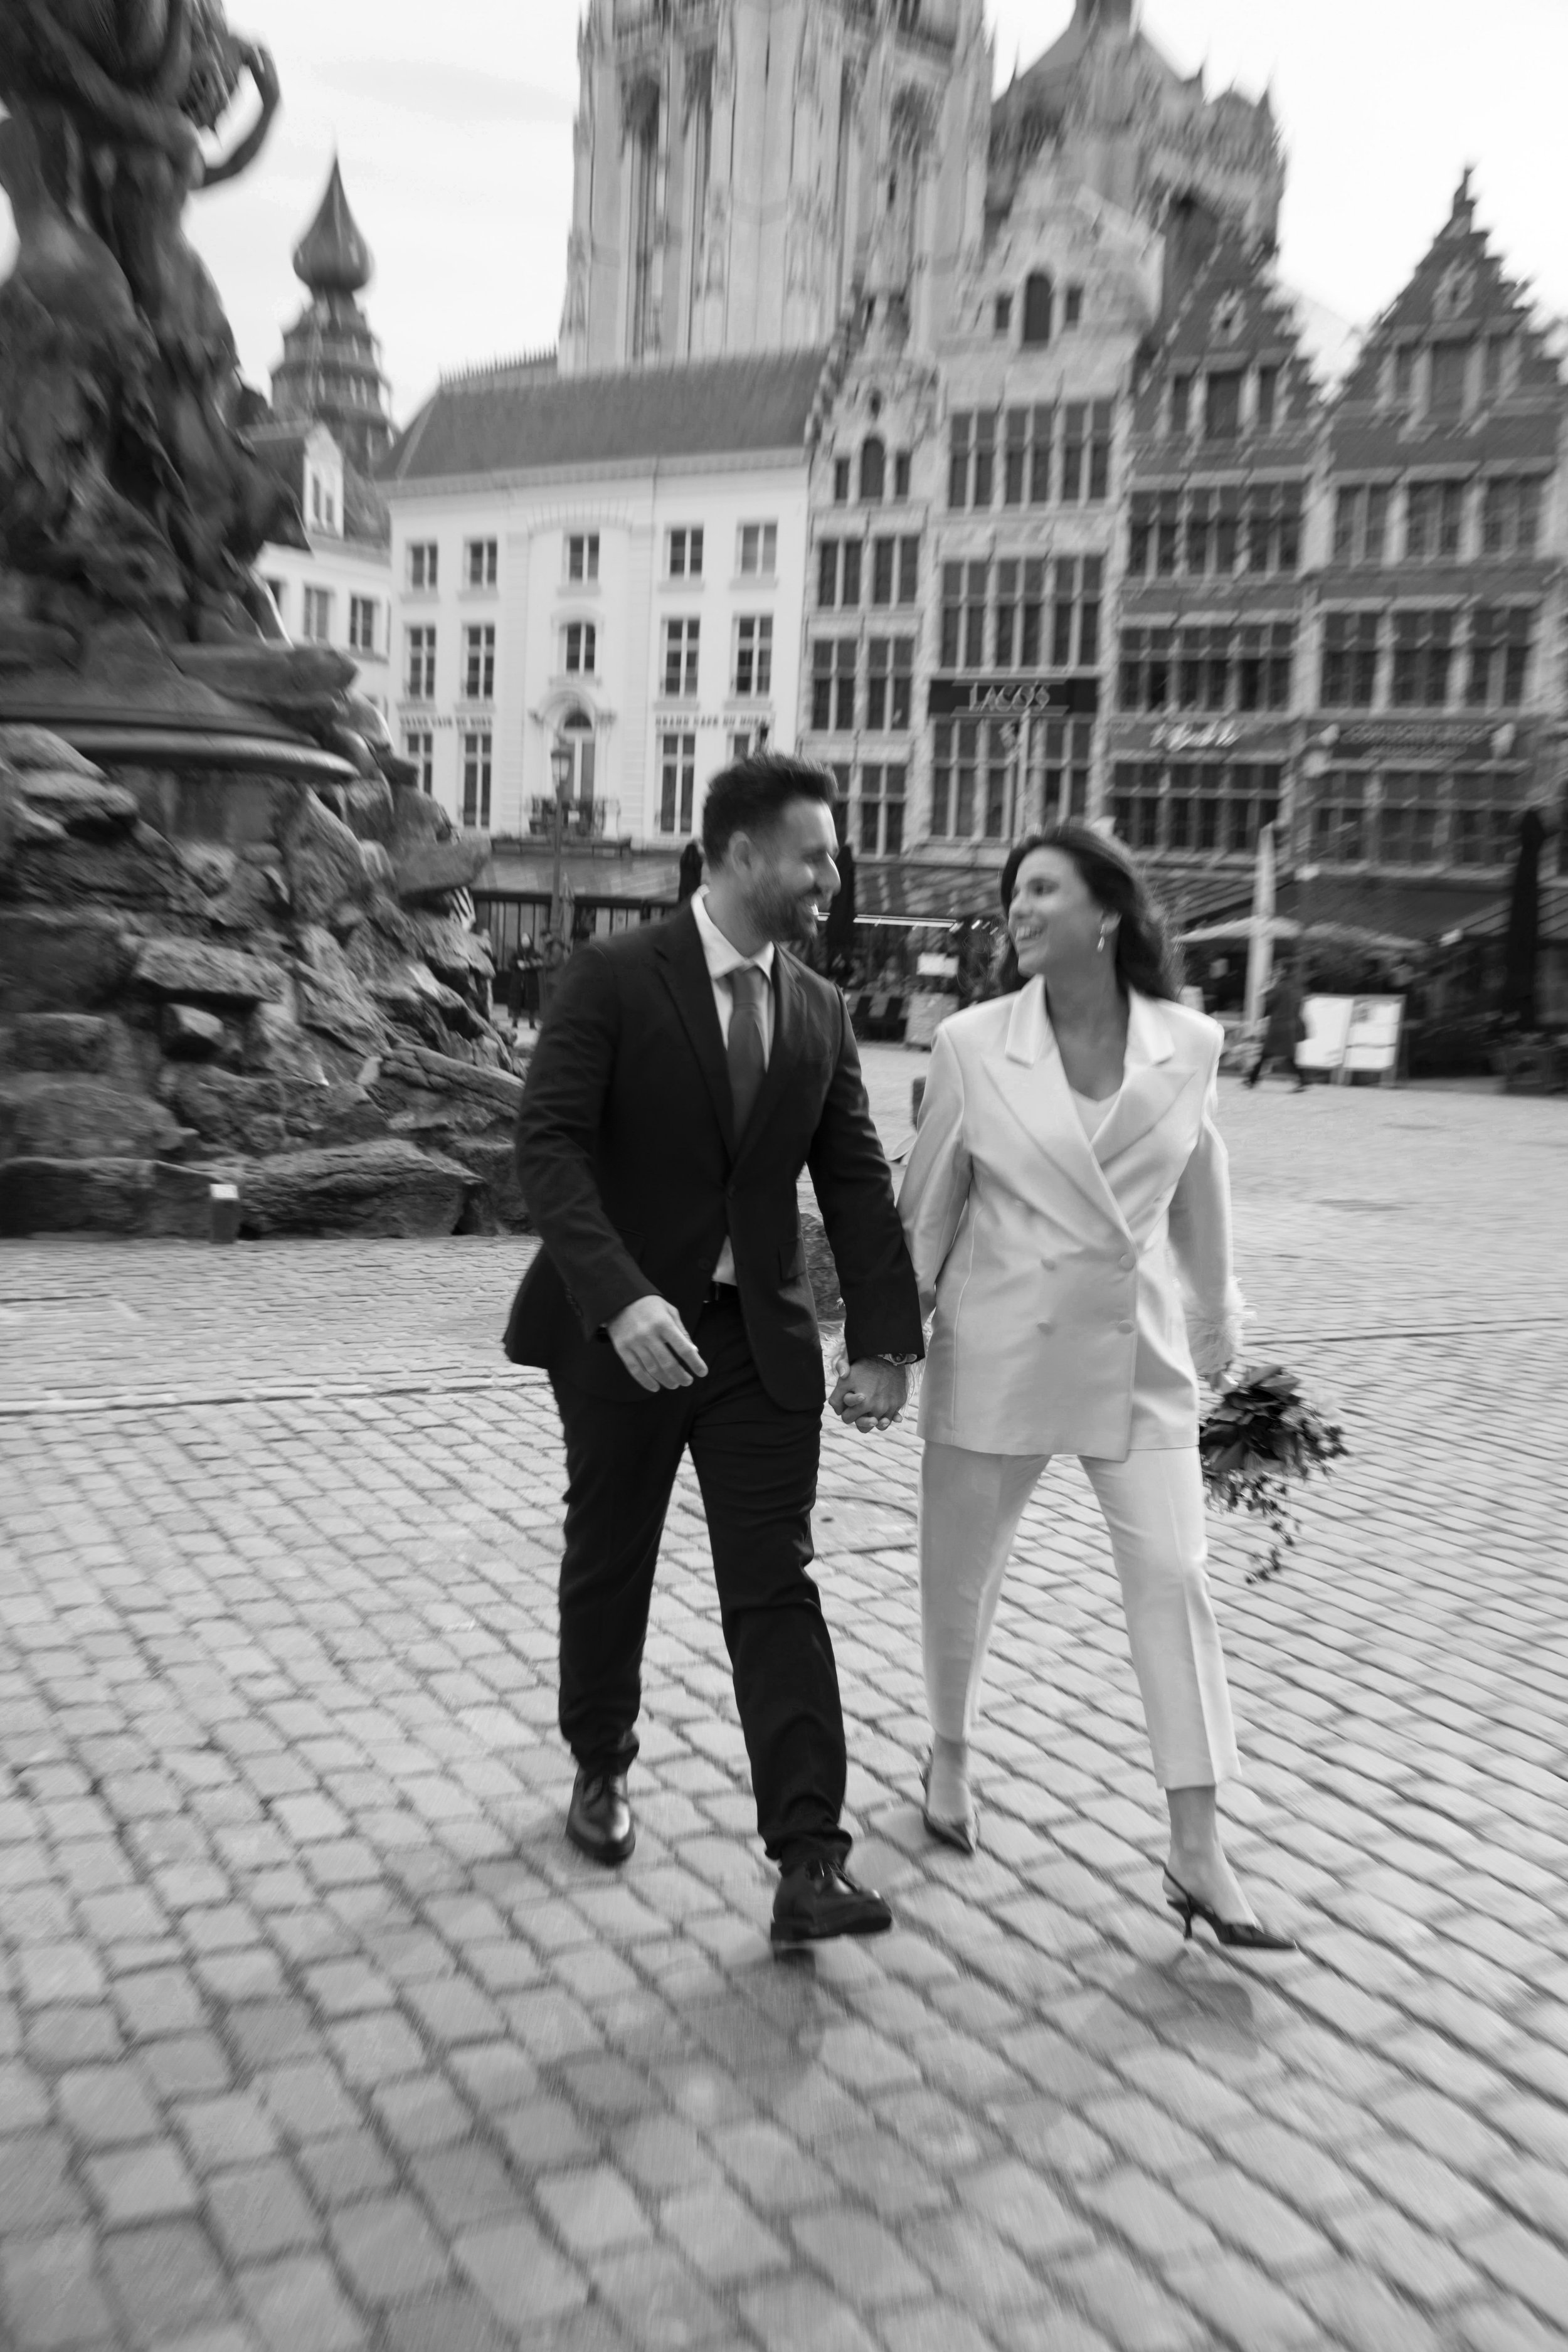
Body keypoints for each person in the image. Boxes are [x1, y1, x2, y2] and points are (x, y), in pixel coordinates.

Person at [506, 753, 923, 1946]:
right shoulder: (614, 975)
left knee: (776, 1583)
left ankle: (809, 1857)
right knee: (612, 1553)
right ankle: (601, 1760)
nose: (833, 877)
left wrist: (888, 1341)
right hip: (627, 1338)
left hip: (759, 1349)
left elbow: (852, 1180)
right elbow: (550, 1148)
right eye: (817, 855)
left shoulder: (820, 1007)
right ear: (741, 855)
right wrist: (621, 1297)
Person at [898, 824, 1293, 1952]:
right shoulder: (974, 1043)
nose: (1016, 910)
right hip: (1001, 1349)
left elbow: (1201, 1181)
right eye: (1012, 892)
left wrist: (1220, 1322)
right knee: (960, 1581)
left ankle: (1198, 1842)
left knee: (1176, 1580)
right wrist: (890, 1337)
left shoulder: (1192, 1042)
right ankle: (952, 1749)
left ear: (1106, 912)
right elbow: (932, 1198)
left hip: (1138, 1359)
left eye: (1040, 890)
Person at [1246, 960, 1308, 1090]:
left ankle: (1252, 1080)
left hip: (1278, 1025)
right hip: (1290, 1025)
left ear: (1284, 971)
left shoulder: (1280, 986)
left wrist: (1264, 993)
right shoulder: (1296, 987)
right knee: (1284, 1055)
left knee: (1268, 1054)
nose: (1276, 972)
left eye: (1278, 969)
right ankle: (1252, 1079)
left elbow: (1270, 1002)